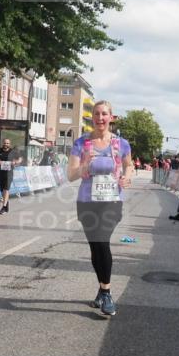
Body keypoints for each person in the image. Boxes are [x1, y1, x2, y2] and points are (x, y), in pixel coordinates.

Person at [68, 100, 133, 318]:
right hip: (87, 201)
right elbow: (71, 175)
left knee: (102, 241)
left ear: (111, 117)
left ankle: (106, 292)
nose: (100, 118)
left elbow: (129, 165)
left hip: (112, 201)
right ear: (92, 117)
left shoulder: (121, 143)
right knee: (96, 248)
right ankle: (101, 288)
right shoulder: (81, 143)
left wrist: (127, 177)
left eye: (104, 114)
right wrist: (85, 164)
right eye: (96, 114)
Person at [0, 137, 22, 214]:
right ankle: (6, 204)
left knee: (6, 189)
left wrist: (15, 162)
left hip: (9, 173)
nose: (6, 144)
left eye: (7, 143)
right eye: (5, 143)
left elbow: (20, 159)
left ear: (10, 144)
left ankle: (4, 207)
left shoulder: (13, 151)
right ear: (3, 143)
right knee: (2, 190)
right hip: (1, 172)